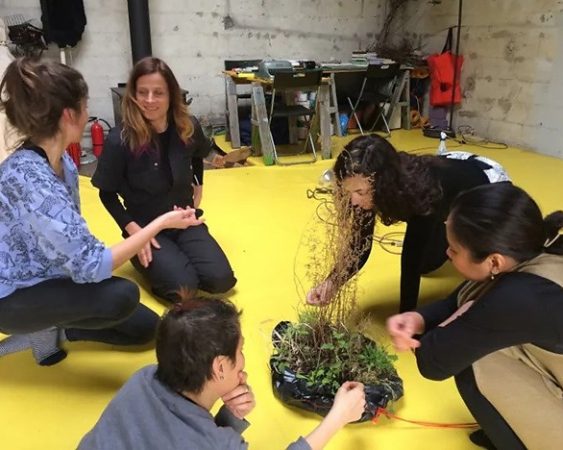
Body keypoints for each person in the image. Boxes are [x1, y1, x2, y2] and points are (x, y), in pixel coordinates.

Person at [0, 57, 201, 366]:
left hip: (54, 274)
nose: (87, 113)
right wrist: (160, 223)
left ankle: (63, 330)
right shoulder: (29, 178)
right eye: (85, 106)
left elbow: (72, 241)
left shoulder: (63, 163)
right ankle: (39, 328)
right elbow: (93, 264)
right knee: (121, 296)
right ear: (69, 115)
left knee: (148, 328)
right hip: (15, 294)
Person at [386, 183, 563, 450]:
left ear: (494, 262)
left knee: (473, 361)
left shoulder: (519, 296)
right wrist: (419, 318)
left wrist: (458, 318)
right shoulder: (535, 246)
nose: (447, 253)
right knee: (481, 337)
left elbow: (434, 361)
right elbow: (461, 299)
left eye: (454, 250)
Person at [78, 296, 367, 449]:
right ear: (219, 367)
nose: (242, 361)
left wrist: (230, 417)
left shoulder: (142, 379)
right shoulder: (219, 445)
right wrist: (338, 417)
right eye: (239, 351)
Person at [307, 134, 510, 312]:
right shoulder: (366, 189)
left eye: (360, 192)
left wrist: (406, 313)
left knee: (473, 262)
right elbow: (360, 246)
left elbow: (411, 256)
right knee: (428, 264)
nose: (353, 201)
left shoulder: (421, 193)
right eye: (348, 191)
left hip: (484, 184)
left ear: (383, 185)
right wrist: (332, 283)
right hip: (449, 176)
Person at [92, 57, 236, 302]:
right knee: (183, 288)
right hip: (146, 228)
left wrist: (199, 184)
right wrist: (135, 233)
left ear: (171, 95)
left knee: (221, 280)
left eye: (158, 93)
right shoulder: (120, 139)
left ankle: (176, 258)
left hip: (184, 219)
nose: (149, 100)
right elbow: (106, 194)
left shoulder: (187, 126)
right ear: (133, 95)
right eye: (143, 92)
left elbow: (199, 153)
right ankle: (145, 258)